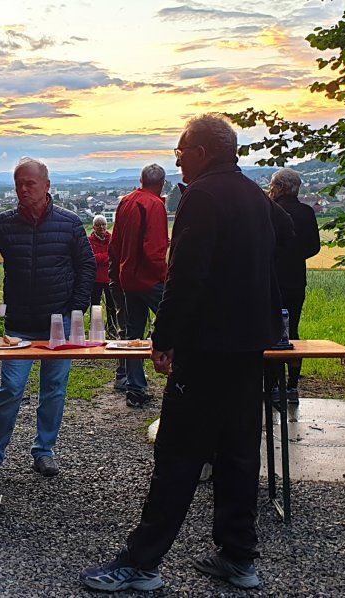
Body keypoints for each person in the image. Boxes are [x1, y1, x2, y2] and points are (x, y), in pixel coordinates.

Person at [81, 114, 283, 592]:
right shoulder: (256, 194)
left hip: (206, 347)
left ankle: (141, 563)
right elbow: (286, 240)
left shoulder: (202, 196)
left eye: (180, 151)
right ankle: (238, 558)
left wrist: (165, 337)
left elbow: (186, 275)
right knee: (237, 453)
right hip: (249, 345)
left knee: (177, 454)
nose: (177, 161)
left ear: (202, 152)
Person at [0, 158, 95, 484]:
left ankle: (44, 451)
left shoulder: (69, 223)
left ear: (47, 186)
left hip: (59, 324)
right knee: (10, 389)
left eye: (30, 183)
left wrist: (76, 310)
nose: (23, 189)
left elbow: (87, 267)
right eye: (18, 184)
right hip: (19, 325)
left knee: (54, 390)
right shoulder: (5, 224)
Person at [108, 164, 169, 407]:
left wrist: (118, 271)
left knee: (133, 333)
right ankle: (181, 380)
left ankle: (134, 388)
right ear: (162, 183)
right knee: (175, 321)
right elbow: (154, 250)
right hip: (150, 279)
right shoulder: (155, 205)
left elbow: (115, 242)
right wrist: (165, 277)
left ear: (141, 180)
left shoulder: (125, 201)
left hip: (128, 279)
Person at [267, 168, 320, 406]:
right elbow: (314, 247)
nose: (270, 190)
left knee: (271, 332)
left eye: (272, 186)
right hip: (296, 279)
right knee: (293, 332)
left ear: (280, 188)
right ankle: (292, 386)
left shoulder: (271, 210)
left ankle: (272, 386)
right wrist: (295, 256)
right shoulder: (307, 212)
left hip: (273, 280)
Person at [88, 214, 123, 341]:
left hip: (109, 277)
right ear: (94, 227)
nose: (101, 227)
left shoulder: (112, 239)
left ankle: (112, 329)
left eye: (103, 224)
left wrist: (100, 257)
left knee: (112, 306)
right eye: (98, 225)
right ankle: (95, 329)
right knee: (94, 305)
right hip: (95, 279)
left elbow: (116, 256)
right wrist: (107, 257)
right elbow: (91, 258)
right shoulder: (89, 241)